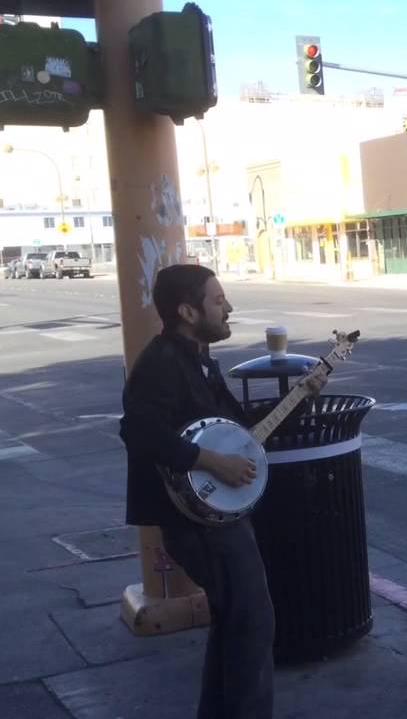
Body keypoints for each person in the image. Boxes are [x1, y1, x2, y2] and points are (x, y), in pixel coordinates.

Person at [119, 264, 325, 719]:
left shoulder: (197, 361)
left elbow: (244, 433)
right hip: (196, 524)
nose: (228, 307)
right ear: (188, 311)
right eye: (218, 300)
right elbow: (138, 430)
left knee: (236, 623)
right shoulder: (163, 362)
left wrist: (300, 396)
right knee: (253, 624)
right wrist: (212, 462)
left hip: (213, 518)